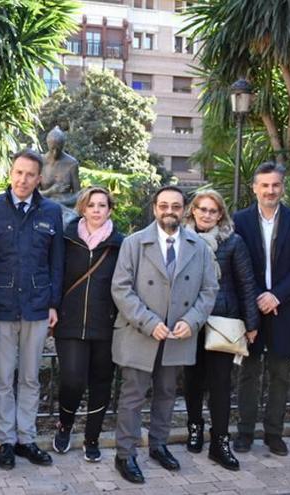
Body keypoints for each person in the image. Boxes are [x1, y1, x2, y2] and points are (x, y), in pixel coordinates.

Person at [111, 185, 218, 484]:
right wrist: (148, 322)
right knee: (132, 396)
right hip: (140, 332)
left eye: (175, 206)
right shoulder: (134, 243)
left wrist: (193, 321)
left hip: (177, 335)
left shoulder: (199, 247)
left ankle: (158, 445)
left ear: (184, 210)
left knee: (167, 394)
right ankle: (125, 454)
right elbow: (121, 288)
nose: (169, 211)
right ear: (155, 208)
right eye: (163, 205)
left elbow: (209, 290)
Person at [0, 149, 65, 470]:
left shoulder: (52, 211)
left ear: (39, 179)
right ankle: (6, 441)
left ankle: (26, 438)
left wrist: (54, 303)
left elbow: (57, 262)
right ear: (10, 174)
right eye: (18, 172)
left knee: (29, 378)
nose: (23, 179)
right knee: (1, 378)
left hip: (38, 308)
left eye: (30, 174)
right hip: (0, 308)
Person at [232, 162, 290, 456]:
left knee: (280, 374)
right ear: (254, 188)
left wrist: (276, 295)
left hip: (284, 309)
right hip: (250, 309)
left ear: (282, 187)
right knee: (248, 373)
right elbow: (235, 264)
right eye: (264, 185)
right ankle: (244, 433)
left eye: (275, 185)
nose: (270, 190)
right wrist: (257, 298)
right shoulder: (239, 221)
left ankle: (274, 434)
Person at [181, 190, 259, 471]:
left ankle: (220, 441)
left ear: (220, 215)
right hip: (189, 321)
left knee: (220, 385)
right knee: (192, 381)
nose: (206, 214)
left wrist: (252, 324)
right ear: (192, 211)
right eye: (201, 209)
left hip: (222, 321)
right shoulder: (182, 239)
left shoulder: (233, 242)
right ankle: (194, 427)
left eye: (212, 211)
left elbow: (246, 283)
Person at [51, 186, 124, 463]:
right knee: (72, 379)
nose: (96, 210)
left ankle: (92, 438)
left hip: (105, 325)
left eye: (102, 205)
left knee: (101, 383)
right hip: (69, 323)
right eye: (91, 205)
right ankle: (64, 425)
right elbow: (56, 273)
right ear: (83, 208)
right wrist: (53, 306)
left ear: (109, 209)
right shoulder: (66, 239)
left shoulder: (119, 244)